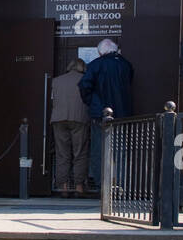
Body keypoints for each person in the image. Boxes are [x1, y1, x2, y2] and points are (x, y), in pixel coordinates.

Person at [80, 38, 134, 192]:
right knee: (121, 150)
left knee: (100, 149)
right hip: (122, 113)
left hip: (100, 113)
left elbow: (84, 85)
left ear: (101, 52)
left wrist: (92, 102)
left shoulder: (96, 65)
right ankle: (122, 184)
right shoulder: (126, 65)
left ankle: (101, 184)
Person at [49, 59, 88, 197]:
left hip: (59, 119)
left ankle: (63, 187)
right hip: (79, 118)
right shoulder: (85, 79)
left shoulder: (56, 81)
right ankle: (78, 187)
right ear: (82, 67)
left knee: (62, 153)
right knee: (79, 152)